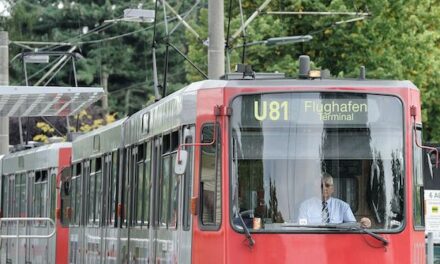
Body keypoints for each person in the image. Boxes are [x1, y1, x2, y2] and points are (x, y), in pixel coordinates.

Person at [298, 173, 371, 228]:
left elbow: (353, 227)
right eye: (321, 186)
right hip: (312, 242)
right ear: (315, 188)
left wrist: (363, 224)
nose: (324, 189)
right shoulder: (305, 206)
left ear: (332, 189)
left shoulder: (343, 206)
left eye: (327, 185)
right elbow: (301, 228)